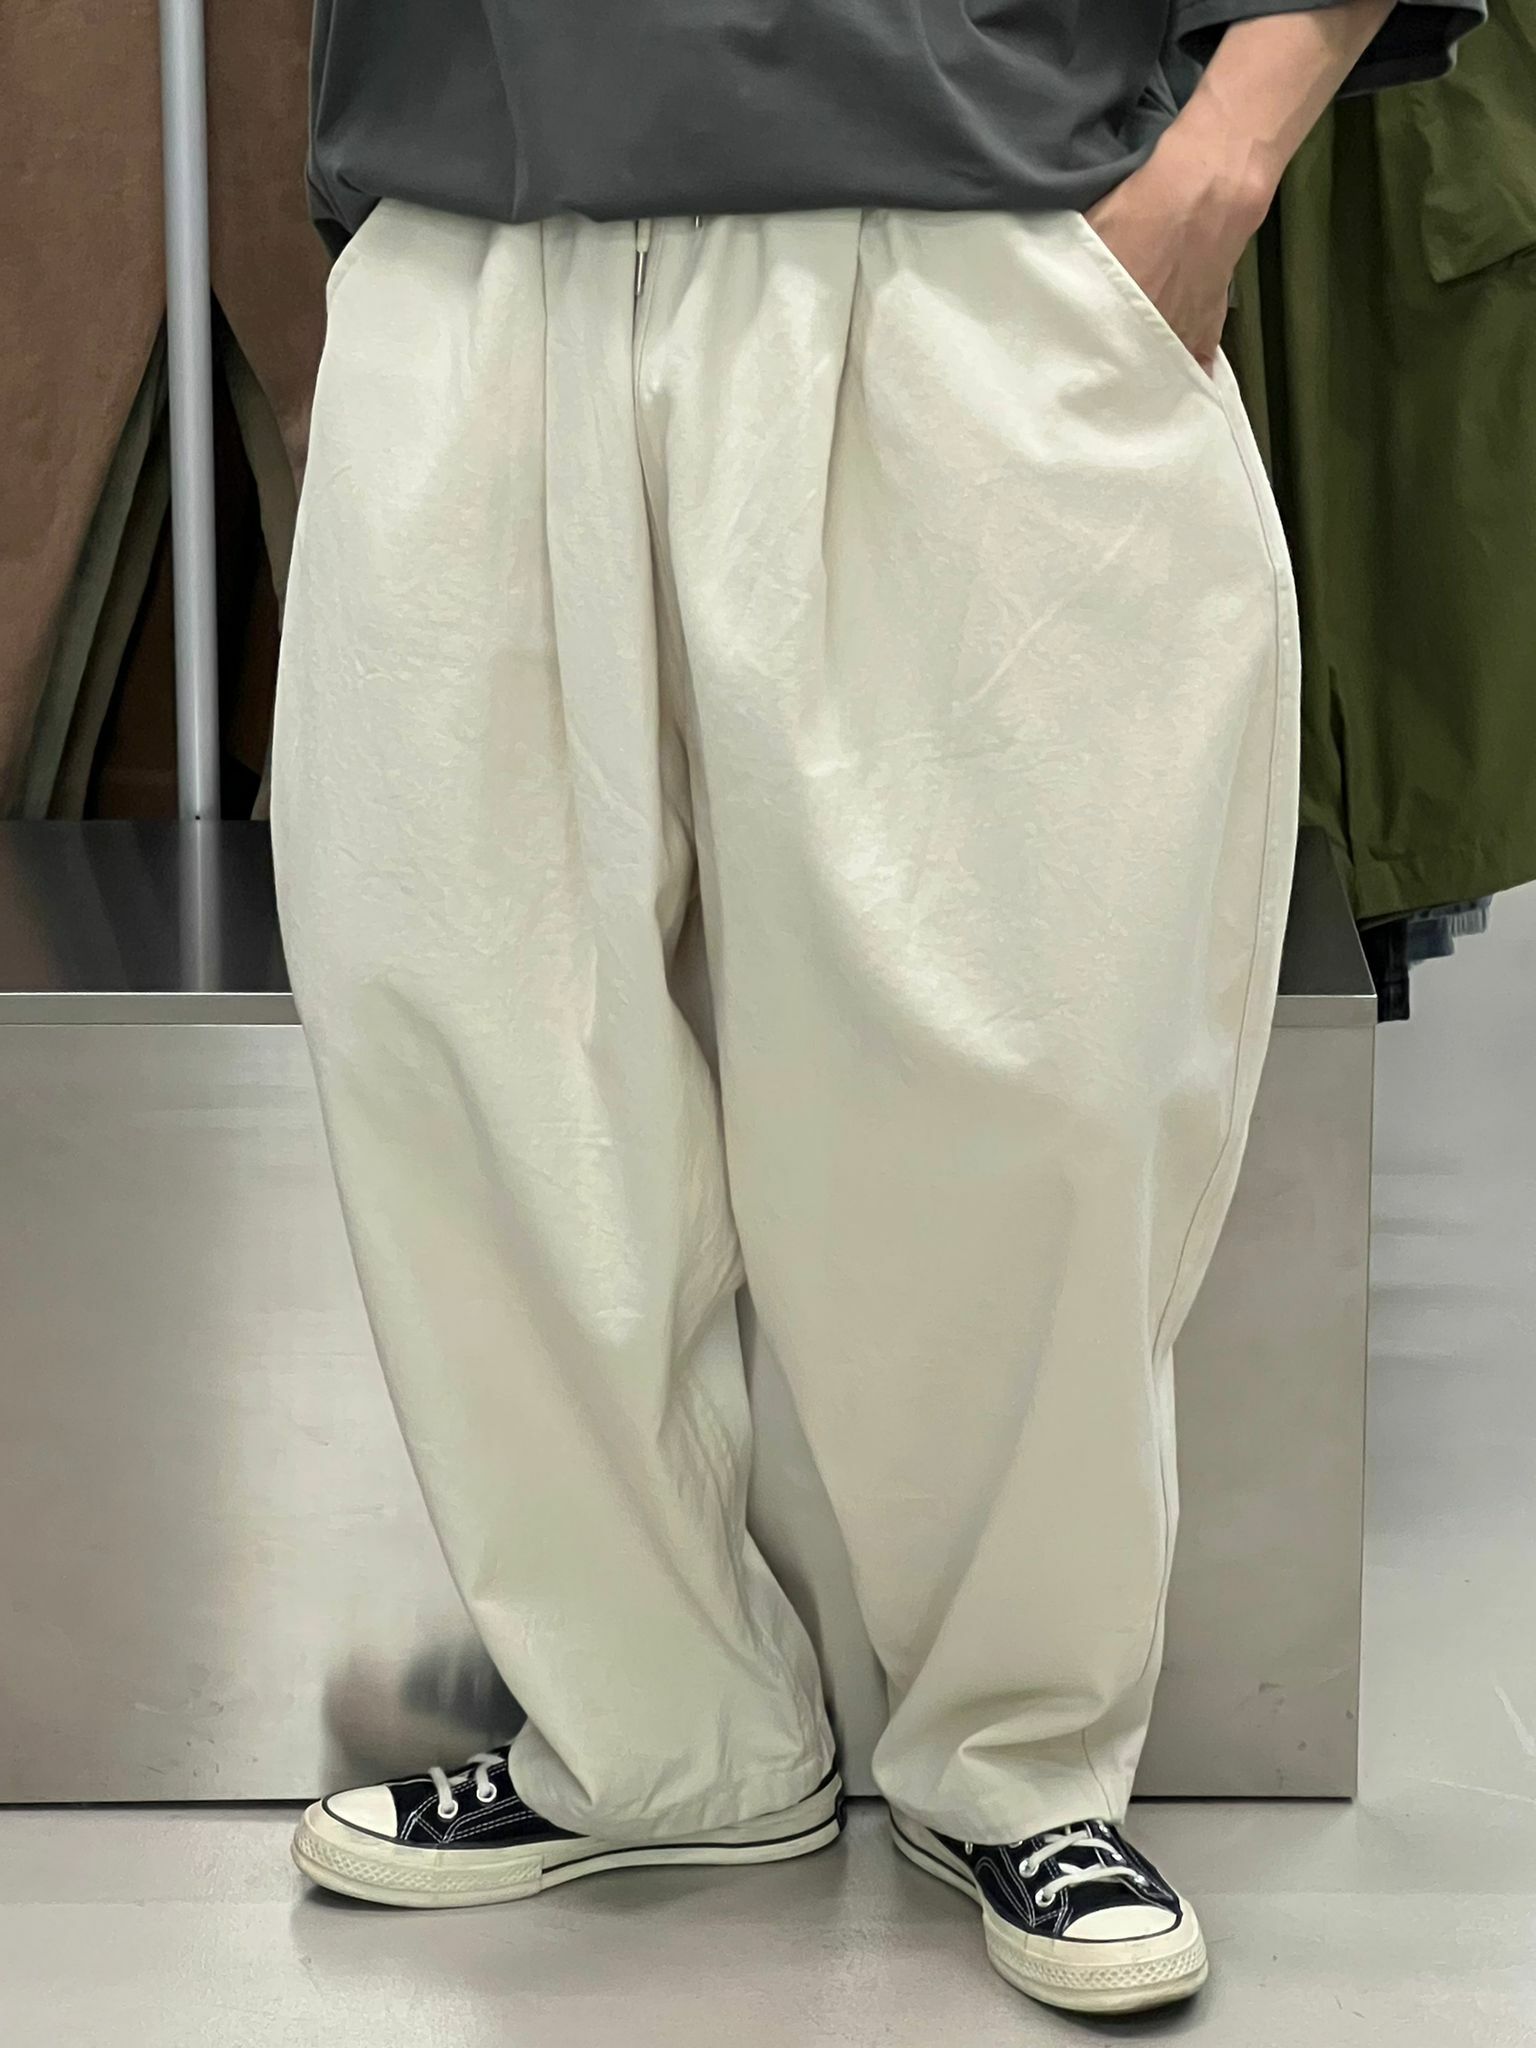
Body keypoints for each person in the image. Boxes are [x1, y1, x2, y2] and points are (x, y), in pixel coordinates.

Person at [271, 0, 1479, 2016]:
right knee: (468, 1043)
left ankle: (1020, 1756)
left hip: (961, 223)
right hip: (471, 209)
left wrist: (1225, 162)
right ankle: (656, 1734)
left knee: (1019, 1057)